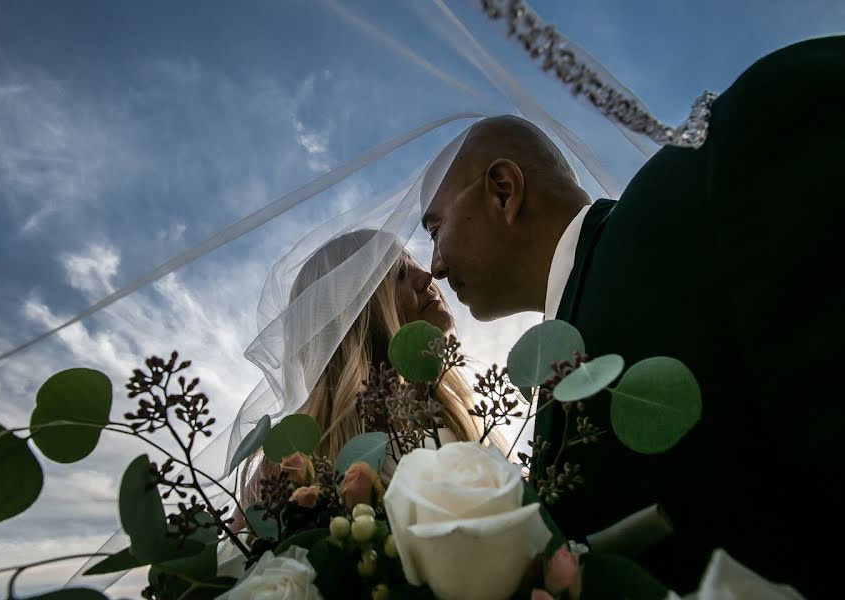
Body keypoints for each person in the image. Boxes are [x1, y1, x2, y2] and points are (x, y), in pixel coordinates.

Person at [422, 36, 845, 596]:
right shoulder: (552, 397)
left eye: (435, 229)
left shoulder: (732, 151)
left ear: (503, 191)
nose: (435, 265)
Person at [235, 229, 496, 514]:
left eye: (414, 267)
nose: (426, 278)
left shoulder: (465, 421)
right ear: (356, 313)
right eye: (397, 275)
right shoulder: (294, 464)